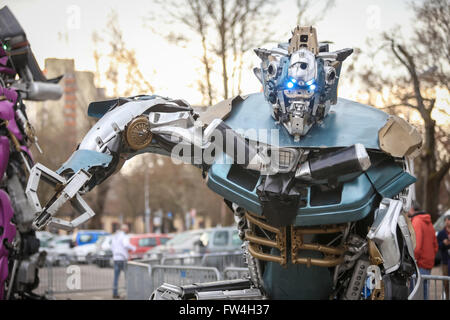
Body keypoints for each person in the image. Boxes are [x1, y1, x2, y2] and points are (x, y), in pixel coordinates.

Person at [408, 203, 438, 300]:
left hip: (419, 265)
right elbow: (435, 246)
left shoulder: (417, 222)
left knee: (416, 295)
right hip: (428, 264)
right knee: (425, 295)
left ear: (411, 209)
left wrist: (413, 261)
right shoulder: (429, 222)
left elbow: (416, 246)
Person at [111, 224, 136, 299]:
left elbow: (111, 247)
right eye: (127, 229)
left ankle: (115, 293)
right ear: (125, 230)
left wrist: (115, 254)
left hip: (116, 258)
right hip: (122, 258)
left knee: (116, 277)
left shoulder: (115, 236)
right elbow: (126, 245)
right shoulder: (124, 236)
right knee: (128, 276)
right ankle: (129, 292)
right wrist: (133, 248)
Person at [437, 215, 450, 299]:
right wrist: (443, 243)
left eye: (449, 220)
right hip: (445, 261)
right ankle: (447, 296)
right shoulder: (441, 233)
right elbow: (437, 245)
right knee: (446, 282)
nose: (448, 222)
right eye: (447, 220)